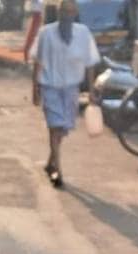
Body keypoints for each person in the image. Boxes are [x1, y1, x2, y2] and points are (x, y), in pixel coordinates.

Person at [30, 0, 100, 188]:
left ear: (75, 13)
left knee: (62, 130)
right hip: (50, 87)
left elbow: (90, 63)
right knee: (54, 127)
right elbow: (38, 62)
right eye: (64, 11)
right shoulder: (47, 33)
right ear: (58, 12)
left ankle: (50, 161)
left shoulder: (83, 33)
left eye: (71, 11)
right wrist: (35, 90)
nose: (67, 15)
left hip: (71, 89)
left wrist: (92, 91)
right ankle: (57, 172)